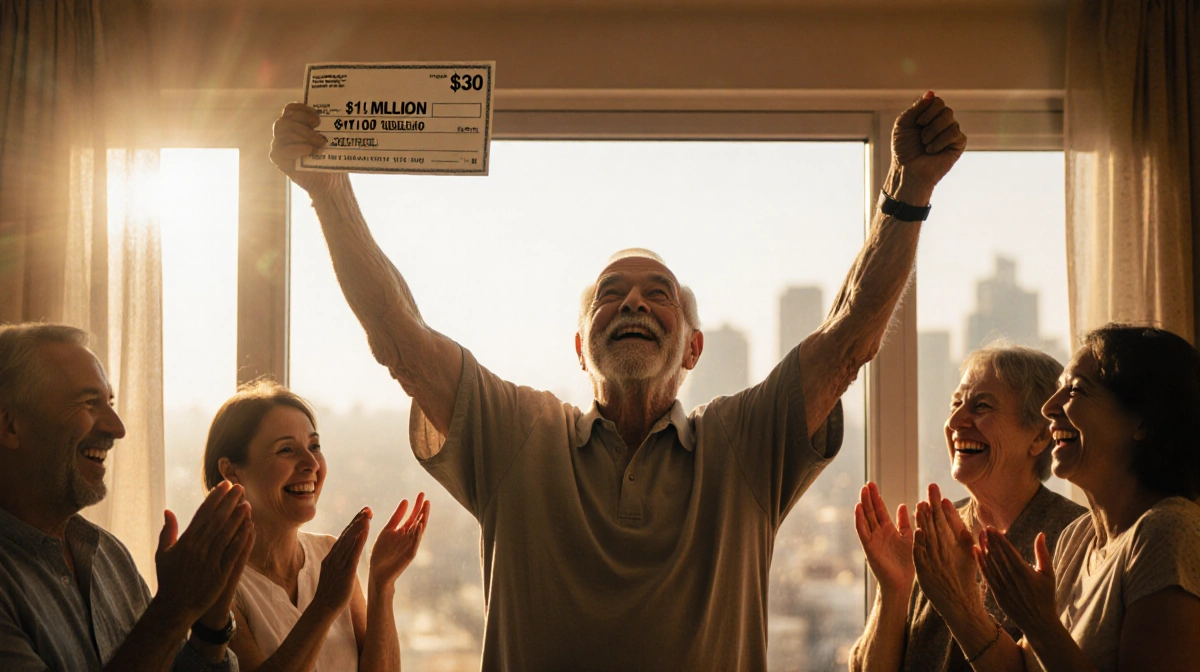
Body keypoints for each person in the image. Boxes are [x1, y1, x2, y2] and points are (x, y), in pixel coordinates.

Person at [269, 91, 967, 670]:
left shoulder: (742, 445)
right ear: (580, 347)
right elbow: (400, 339)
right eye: (611, 292)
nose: (632, 301)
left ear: (693, 348)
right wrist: (328, 192)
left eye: (657, 292)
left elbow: (849, 339)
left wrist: (907, 191)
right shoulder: (518, 435)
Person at [911, 325, 1200, 671]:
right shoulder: (1077, 538)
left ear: (1142, 421)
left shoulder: (1167, 531)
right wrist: (959, 601)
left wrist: (1039, 624)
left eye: (1075, 391)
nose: (1049, 408)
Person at [0, 322, 252, 671]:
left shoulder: (109, 554)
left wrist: (209, 624)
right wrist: (174, 608)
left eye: (110, 402)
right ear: (10, 426)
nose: (117, 428)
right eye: (89, 403)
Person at [849, 345, 1085, 672]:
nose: (955, 421)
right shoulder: (933, 531)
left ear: (1040, 436)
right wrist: (894, 589)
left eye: (981, 406)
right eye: (956, 403)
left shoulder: (1074, 539)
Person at [202, 380, 430, 672]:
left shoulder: (328, 553)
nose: (311, 462)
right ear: (231, 470)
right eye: (286, 450)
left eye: (314, 446)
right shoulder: (218, 587)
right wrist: (324, 605)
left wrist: (382, 584)